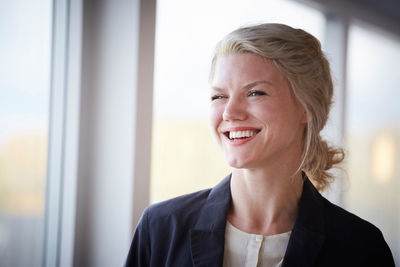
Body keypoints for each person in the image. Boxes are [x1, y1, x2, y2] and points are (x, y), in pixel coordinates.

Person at [125, 23, 394, 267]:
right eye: (219, 95)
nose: (230, 112)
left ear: (306, 106)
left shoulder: (360, 248)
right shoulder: (161, 228)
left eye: (255, 93)